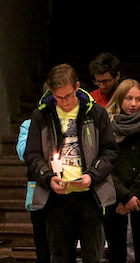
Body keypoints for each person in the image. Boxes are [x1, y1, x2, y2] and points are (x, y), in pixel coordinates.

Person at [24, 64, 119, 263]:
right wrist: (48, 178)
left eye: (68, 96)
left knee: (93, 254)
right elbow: (32, 155)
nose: (64, 102)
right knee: (59, 255)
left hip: (89, 195)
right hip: (55, 197)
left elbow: (110, 151)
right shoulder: (41, 115)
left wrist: (91, 176)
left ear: (76, 87)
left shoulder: (96, 113)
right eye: (58, 97)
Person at [103, 79, 140, 263]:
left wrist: (133, 196)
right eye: (129, 98)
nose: (134, 104)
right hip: (115, 198)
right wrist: (124, 195)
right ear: (120, 99)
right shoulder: (106, 125)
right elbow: (105, 164)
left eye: (138, 99)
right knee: (117, 253)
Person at [17, 116, 48, 263]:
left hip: (65, 192)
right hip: (38, 192)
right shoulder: (29, 124)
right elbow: (23, 152)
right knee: (42, 246)